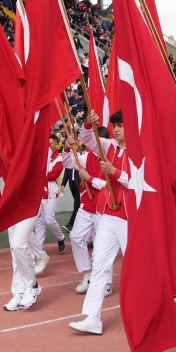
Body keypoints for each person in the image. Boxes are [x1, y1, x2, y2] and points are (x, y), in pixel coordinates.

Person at [67, 111, 130, 329]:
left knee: (137, 266)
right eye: (115, 125)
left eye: (122, 125)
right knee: (99, 265)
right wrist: (87, 124)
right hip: (108, 214)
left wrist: (115, 172)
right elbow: (87, 139)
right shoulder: (108, 145)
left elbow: (140, 182)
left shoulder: (141, 150)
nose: (118, 129)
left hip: (131, 217)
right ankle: (92, 317)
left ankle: (155, 305)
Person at [60, 132, 102, 293]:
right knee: (76, 236)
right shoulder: (87, 157)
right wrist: (67, 148)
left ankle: (106, 282)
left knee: (102, 245)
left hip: (103, 208)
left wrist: (90, 178)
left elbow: (109, 185)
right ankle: (87, 273)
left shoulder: (112, 158)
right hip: (87, 204)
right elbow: (68, 162)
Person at [33, 134, 68, 258]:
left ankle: (61, 237)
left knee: (49, 219)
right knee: (39, 221)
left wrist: (41, 171)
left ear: (56, 144)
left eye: (51, 143)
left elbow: (51, 176)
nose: (49, 146)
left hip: (52, 193)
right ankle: (39, 246)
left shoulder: (59, 158)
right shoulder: (42, 158)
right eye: (47, 143)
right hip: (41, 193)